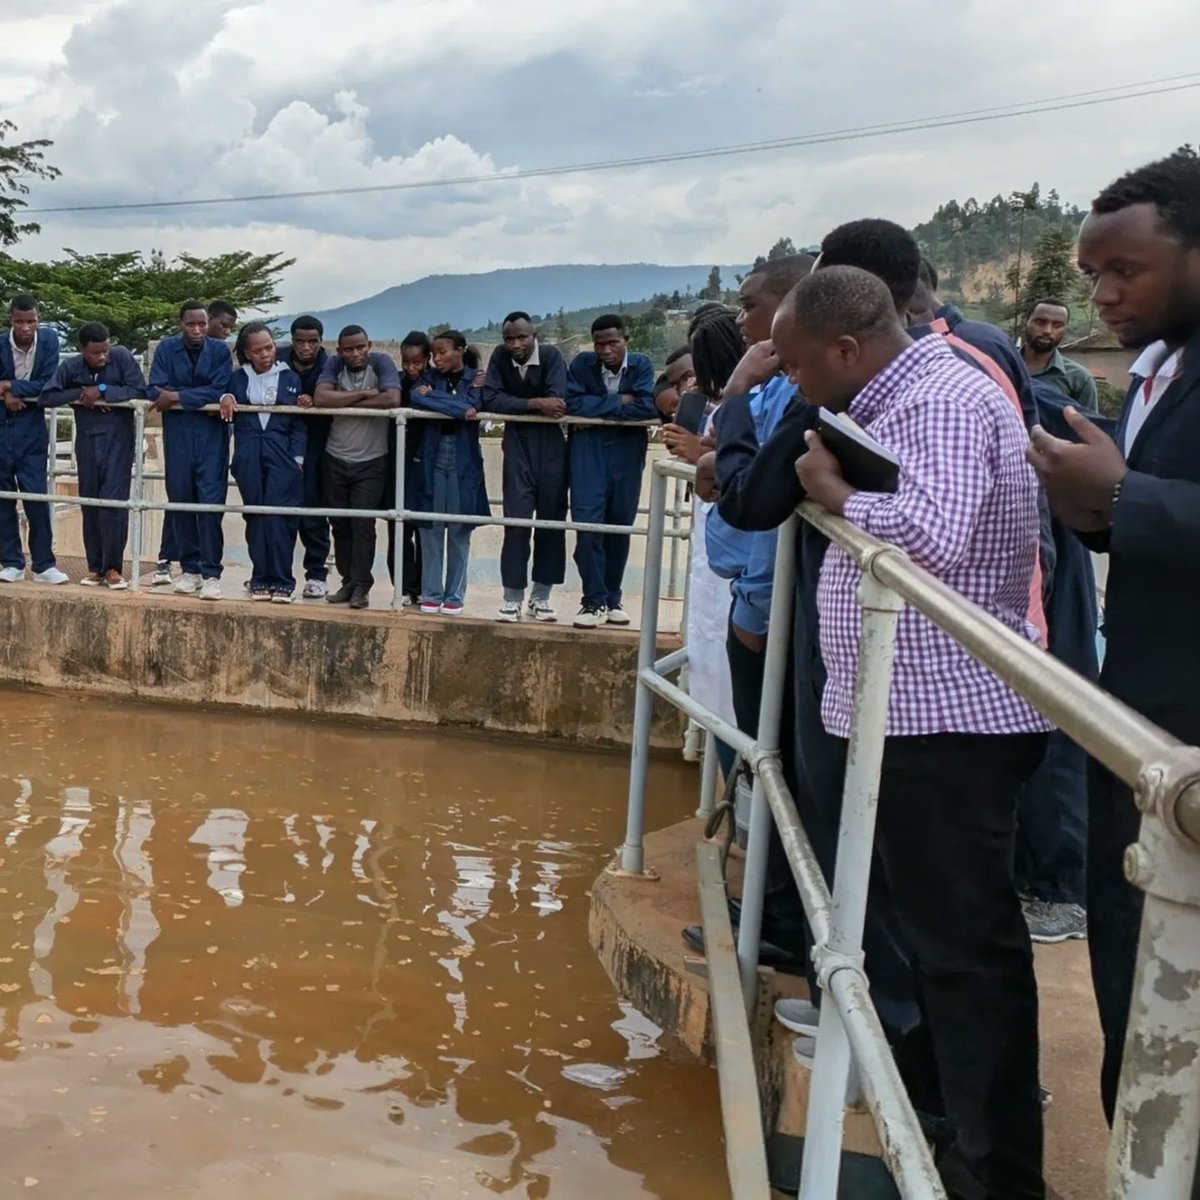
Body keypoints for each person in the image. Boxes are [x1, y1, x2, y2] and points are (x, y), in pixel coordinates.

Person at [785, 265, 1049, 1200]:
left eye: (795, 361)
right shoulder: (908, 391)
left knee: (966, 955)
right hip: (918, 711)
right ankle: (940, 1133)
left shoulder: (937, 395)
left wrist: (832, 490)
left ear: (845, 349)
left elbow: (930, 537)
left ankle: (993, 1176)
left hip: (948, 720)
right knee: (934, 944)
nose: (791, 379)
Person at [1026, 150, 1200, 1135]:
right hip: (1143, 733)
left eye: (1123, 270)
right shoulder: (1161, 370)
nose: (1101, 294)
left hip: (1186, 747)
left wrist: (1126, 494)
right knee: (1131, 977)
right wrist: (1092, 507)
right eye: (1092, 274)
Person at [40, 322, 147, 588]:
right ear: (81, 350)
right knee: (90, 504)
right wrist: (79, 393)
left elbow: (141, 391)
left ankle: (114, 568)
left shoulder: (121, 357)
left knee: (114, 505)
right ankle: (95, 567)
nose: (102, 357)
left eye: (105, 350)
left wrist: (102, 392)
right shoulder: (71, 367)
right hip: (87, 443)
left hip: (118, 444)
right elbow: (47, 396)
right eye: (95, 352)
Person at [565, 315, 656, 628]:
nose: (605, 350)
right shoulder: (581, 364)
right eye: (599, 344)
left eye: (612, 343)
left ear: (626, 339)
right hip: (588, 452)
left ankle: (612, 598)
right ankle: (592, 601)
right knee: (588, 525)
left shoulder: (642, 365)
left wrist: (597, 406)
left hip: (627, 454)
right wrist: (620, 401)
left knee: (620, 524)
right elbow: (571, 404)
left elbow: (648, 406)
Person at [482, 312, 569, 622]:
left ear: (534, 335)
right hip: (517, 447)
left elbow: (557, 401)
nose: (516, 344)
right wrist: (534, 403)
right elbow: (490, 398)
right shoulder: (500, 358)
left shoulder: (551, 356)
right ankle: (512, 597)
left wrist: (520, 401)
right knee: (516, 523)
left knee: (551, 524)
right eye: (509, 339)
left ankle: (541, 596)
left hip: (553, 450)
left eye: (522, 337)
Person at [310, 325, 401, 610]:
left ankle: (362, 585)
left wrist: (345, 397)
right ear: (339, 351)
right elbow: (321, 399)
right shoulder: (334, 364)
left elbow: (392, 398)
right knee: (340, 524)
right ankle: (347, 581)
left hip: (372, 460)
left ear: (369, 345)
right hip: (335, 457)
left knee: (363, 524)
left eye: (360, 347)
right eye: (348, 349)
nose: (355, 353)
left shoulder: (382, 362)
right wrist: (364, 394)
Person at [149, 300, 234, 600]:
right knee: (181, 500)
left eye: (201, 324)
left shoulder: (220, 351)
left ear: (208, 322)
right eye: (190, 324)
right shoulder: (165, 349)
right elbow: (156, 388)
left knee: (210, 505)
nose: (196, 329)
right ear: (180, 323)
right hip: (179, 435)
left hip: (211, 436)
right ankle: (190, 569)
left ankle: (212, 573)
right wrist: (176, 396)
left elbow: (220, 388)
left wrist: (178, 395)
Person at [219, 323, 307, 603]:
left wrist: (297, 458)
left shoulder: (289, 377)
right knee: (255, 515)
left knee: (280, 517)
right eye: (257, 351)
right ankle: (260, 577)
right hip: (249, 451)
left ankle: (283, 580)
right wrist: (226, 397)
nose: (265, 354)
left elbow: (299, 423)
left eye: (268, 347)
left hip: (281, 453)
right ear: (247, 353)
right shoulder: (237, 378)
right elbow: (223, 397)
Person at [411, 331, 489, 616]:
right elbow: (416, 399)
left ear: (460, 350)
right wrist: (459, 408)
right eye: (434, 354)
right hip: (432, 454)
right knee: (430, 528)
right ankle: (430, 593)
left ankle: (454, 595)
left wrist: (438, 400)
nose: (437, 358)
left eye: (443, 352)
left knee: (458, 528)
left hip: (463, 455)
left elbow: (478, 404)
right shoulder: (429, 379)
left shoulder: (476, 378)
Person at [0, 294, 67, 585]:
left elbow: (50, 383)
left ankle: (43, 564)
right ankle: (12, 562)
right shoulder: (0, 343)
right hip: (2, 424)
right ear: (10, 321)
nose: (26, 327)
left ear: (38, 320)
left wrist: (12, 387)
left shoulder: (50, 340)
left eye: (31, 321)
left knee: (36, 495)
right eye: (20, 321)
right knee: (3, 497)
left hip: (32, 424)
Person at [278, 316, 330, 598]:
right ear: (292, 339)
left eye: (312, 341)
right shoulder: (278, 359)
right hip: (282, 443)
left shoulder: (329, 363)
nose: (306, 347)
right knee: (276, 512)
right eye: (300, 341)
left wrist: (314, 399)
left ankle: (317, 574)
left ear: (321, 341)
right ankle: (273, 573)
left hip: (318, 446)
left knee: (313, 512)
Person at [1020, 298, 1099, 410]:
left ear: (1065, 329)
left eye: (1057, 325)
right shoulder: (1001, 365)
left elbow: (1088, 424)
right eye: (1040, 322)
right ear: (1025, 322)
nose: (1047, 330)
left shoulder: (1079, 379)